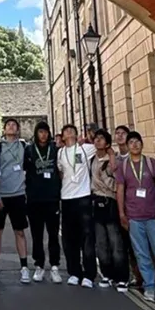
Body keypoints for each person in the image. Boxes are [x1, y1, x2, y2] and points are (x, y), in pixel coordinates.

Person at [115, 131, 155, 304]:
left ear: (142, 144)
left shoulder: (151, 164)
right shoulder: (123, 166)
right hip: (134, 218)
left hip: (153, 217)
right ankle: (149, 286)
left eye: (138, 141)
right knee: (142, 254)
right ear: (127, 146)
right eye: (131, 142)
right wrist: (122, 214)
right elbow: (120, 190)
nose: (135, 145)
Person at [57, 123, 97, 287]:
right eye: (66, 131)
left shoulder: (86, 149)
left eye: (72, 130)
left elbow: (104, 146)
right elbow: (61, 173)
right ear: (63, 136)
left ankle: (89, 274)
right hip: (67, 198)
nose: (69, 132)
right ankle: (74, 272)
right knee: (69, 238)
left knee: (87, 237)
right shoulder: (60, 152)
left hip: (84, 196)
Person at [0, 119, 31, 284]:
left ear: (18, 130)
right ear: (4, 129)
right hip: (2, 194)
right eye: (8, 125)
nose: (11, 127)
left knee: (20, 231)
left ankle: (24, 267)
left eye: (14, 125)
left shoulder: (24, 147)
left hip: (18, 193)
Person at [23, 120, 62, 283]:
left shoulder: (56, 149)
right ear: (36, 133)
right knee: (37, 235)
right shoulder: (29, 149)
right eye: (40, 132)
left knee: (53, 234)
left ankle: (54, 266)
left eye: (46, 131)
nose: (43, 134)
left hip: (52, 198)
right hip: (34, 199)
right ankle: (39, 265)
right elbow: (24, 170)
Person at [91, 129, 128, 292]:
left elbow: (117, 183)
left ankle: (122, 277)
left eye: (101, 139)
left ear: (107, 143)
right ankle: (107, 274)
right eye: (96, 138)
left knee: (115, 242)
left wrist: (111, 156)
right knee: (101, 242)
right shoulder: (92, 159)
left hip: (110, 202)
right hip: (95, 202)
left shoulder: (114, 161)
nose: (98, 141)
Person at [114, 123, 143, 289]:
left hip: (137, 207)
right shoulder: (116, 159)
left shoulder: (136, 157)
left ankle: (150, 279)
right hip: (121, 206)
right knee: (125, 245)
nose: (119, 136)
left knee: (140, 246)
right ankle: (137, 276)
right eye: (117, 133)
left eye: (122, 133)